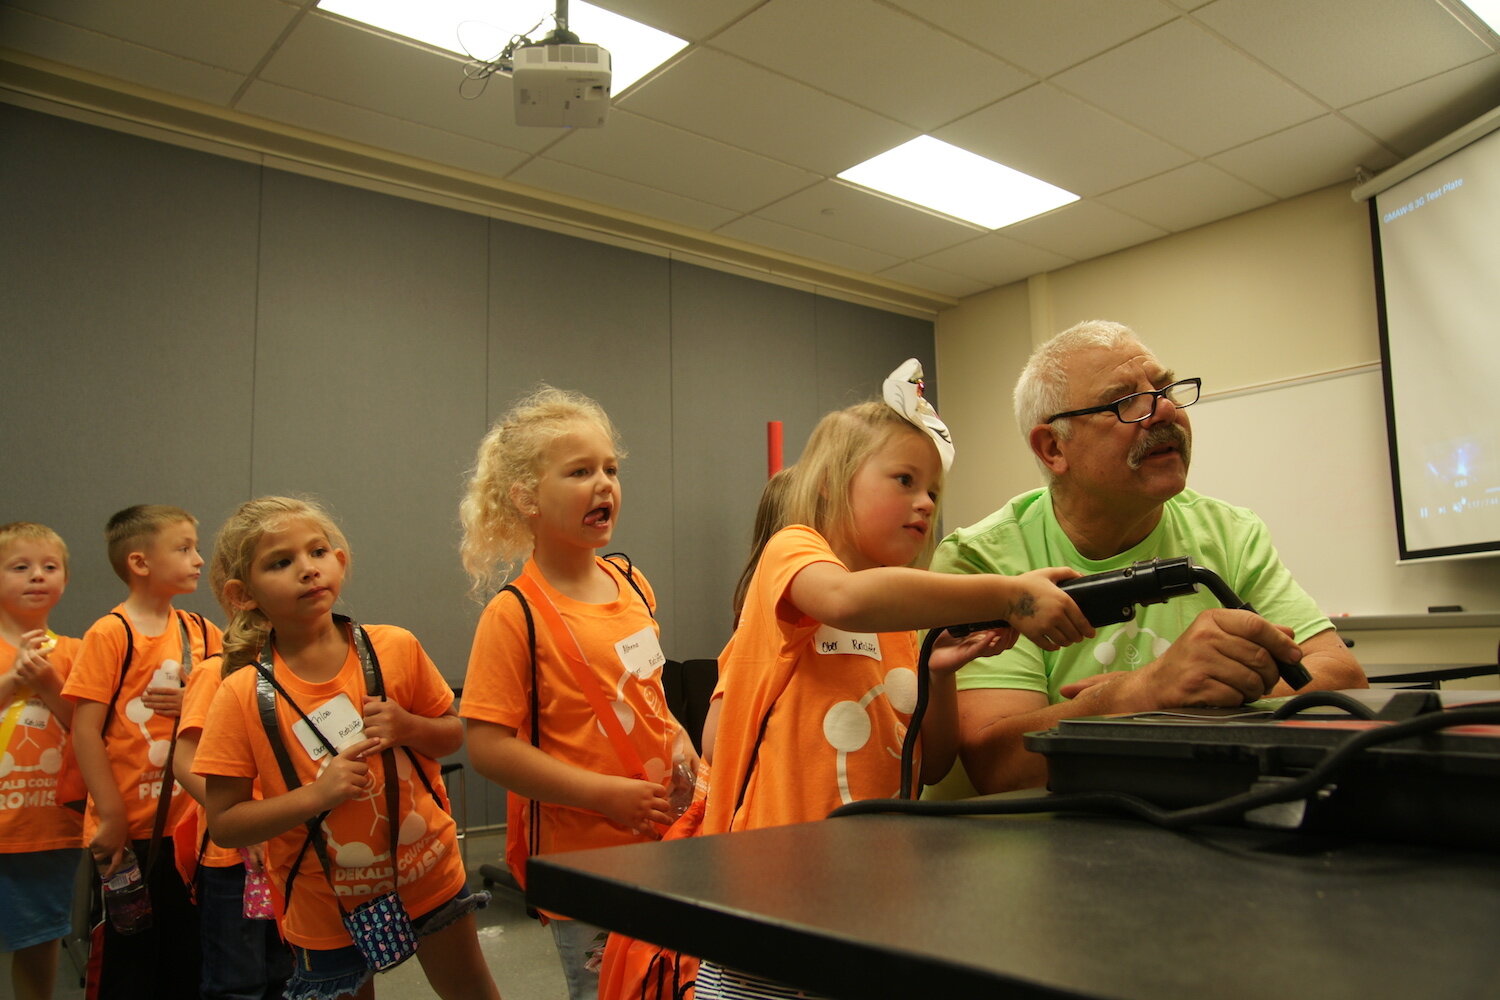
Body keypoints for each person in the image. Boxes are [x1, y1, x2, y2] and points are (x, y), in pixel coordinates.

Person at [695, 364, 1091, 1000]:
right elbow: (847, 600)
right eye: (904, 480)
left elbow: (930, 766)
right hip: (768, 897)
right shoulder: (794, 553)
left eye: (933, 489)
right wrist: (1010, 593)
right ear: (831, 486)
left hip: (871, 902)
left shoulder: (905, 623)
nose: (926, 502)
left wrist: (936, 676)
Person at [931, 320, 1366, 796]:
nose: (1163, 409)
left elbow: (1340, 677)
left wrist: (1178, 698)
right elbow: (1000, 766)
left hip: (1191, 821)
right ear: (1054, 448)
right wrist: (1145, 690)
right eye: (1124, 402)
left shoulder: (1229, 533)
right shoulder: (982, 559)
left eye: (1164, 388)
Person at [193, 496, 501, 1000]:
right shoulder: (239, 692)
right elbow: (225, 823)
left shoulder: (393, 647)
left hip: (430, 877)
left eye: (317, 552)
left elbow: (451, 733)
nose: (307, 570)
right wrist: (316, 796)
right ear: (242, 594)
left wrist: (407, 727)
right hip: (324, 903)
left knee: (472, 990)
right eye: (280, 562)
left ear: (340, 560)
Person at [458, 387, 694, 1000]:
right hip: (588, 861)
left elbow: (648, 696)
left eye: (611, 469)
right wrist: (605, 796)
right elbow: (486, 748)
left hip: (667, 839)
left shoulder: (631, 583)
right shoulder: (515, 615)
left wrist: (683, 743)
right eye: (580, 471)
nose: (604, 484)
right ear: (526, 499)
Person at [62, 504, 220, 1000]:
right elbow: (85, 731)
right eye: (183, 547)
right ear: (139, 562)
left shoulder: (201, 630)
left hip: (191, 828)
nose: (198, 559)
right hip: (132, 830)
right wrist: (109, 815)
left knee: (189, 954)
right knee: (130, 961)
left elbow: (228, 706)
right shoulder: (111, 633)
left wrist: (196, 693)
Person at [172, 640, 294, 1000]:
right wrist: (250, 829)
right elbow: (185, 763)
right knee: (238, 983)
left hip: (291, 852)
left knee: (287, 977)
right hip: (236, 859)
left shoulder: (298, 664)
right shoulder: (216, 670)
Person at [0, 522, 83, 1000]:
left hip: (46, 827)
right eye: (21, 567)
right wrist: (14, 680)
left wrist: (50, 685)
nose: (37, 576)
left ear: (64, 580)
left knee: (40, 938)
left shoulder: (76, 652)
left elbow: (91, 731)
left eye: (49, 567)